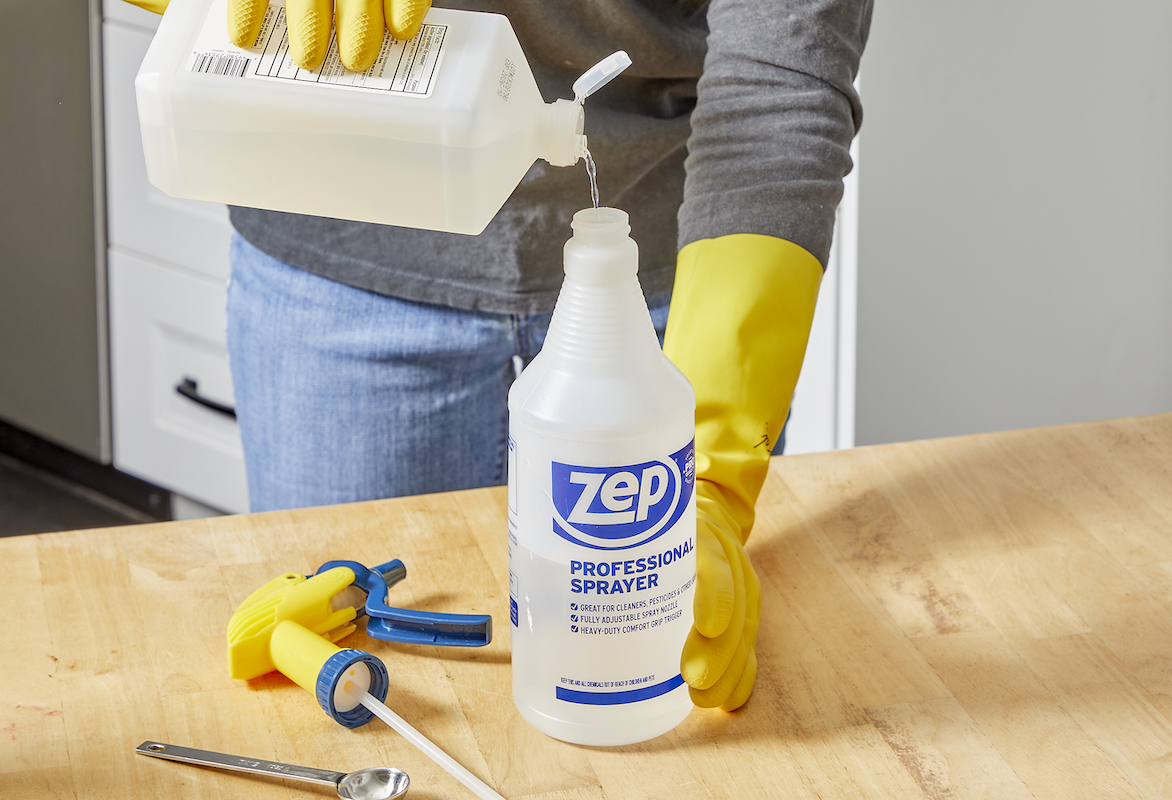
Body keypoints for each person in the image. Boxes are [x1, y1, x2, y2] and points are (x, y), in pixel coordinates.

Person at [125, 0, 872, 712]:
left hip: (678, 275)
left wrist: (702, 471)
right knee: (353, 681)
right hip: (342, 252)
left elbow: (779, 79)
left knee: (644, 686)